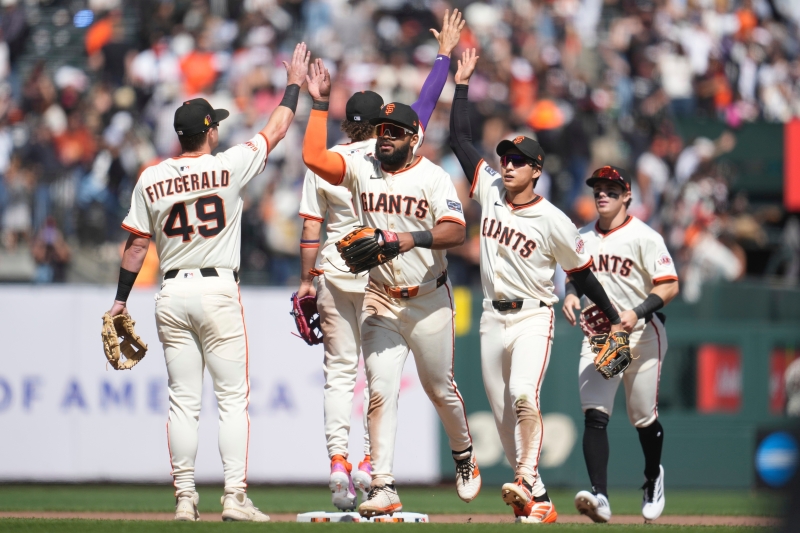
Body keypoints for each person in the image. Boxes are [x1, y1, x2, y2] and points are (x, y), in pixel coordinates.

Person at [106, 43, 310, 523]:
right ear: (210, 131)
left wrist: (119, 301)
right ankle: (234, 496)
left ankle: (184, 498)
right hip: (217, 289)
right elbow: (277, 128)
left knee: (183, 402)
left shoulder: (151, 178)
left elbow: (135, 247)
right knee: (232, 399)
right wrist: (293, 85)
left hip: (172, 292)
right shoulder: (227, 164)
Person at [295, 10, 465, 511]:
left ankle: (339, 463)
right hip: (377, 273)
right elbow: (425, 103)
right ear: (380, 126)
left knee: (340, 373)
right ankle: (374, 467)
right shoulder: (387, 151)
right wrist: (443, 57)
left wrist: (306, 280)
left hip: (335, 268)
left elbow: (310, 227)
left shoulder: (341, 157)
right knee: (379, 382)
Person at [448, 49, 625, 524]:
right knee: (504, 418)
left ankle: (525, 479)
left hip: (533, 315)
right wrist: (461, 85)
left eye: (519, 160)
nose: (507, 165)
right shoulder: (489, 189)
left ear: (536, 170)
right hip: (491, 315)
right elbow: (460, 139)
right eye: (506, 157)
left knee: (524, 395)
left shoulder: (554, 220)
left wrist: (612, 314)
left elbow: (581, 273)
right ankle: (541, 500)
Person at [562, 165, 679, 523]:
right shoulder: (582, 236)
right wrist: (570, 294)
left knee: (642, 417)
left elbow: (669, 285)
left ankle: (652, 477)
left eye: (611, 189)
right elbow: (574, 276)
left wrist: (637, 311)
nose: (603, 194)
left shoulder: (645, 236)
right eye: (598, 188)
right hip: (602, 337)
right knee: (595, 414)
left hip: (641, 335)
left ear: (627, 195)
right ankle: (600, 497)